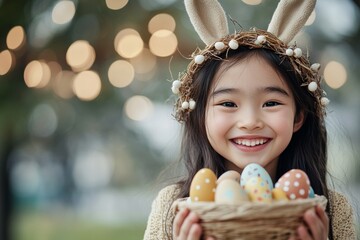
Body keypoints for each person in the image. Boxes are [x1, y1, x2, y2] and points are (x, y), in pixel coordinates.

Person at [144, 0, 356, 239]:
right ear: (201, 117)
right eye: (228, 104)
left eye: (271, 103)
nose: (250, 121)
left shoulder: (330, 209)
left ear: (298, 117)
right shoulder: (175, 207)